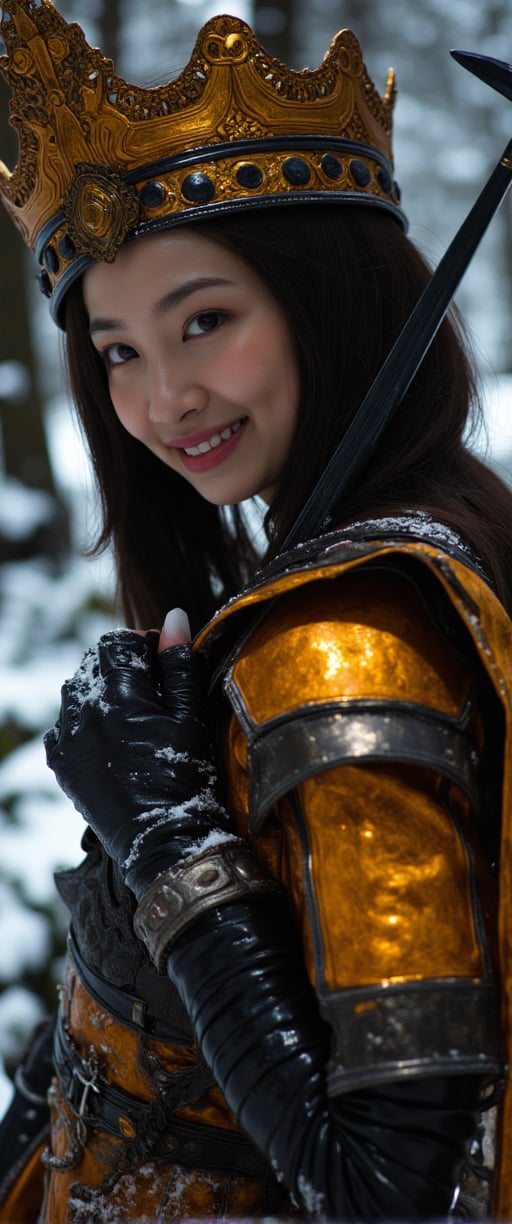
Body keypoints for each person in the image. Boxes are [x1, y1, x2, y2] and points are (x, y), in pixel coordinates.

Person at [0, 1, 512, 1220]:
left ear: (327, 297)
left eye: (205, 320)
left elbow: (384, 1183)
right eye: (117, 350)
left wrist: (165, 836)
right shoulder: (411, 547)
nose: (164, 398)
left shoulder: (342, 649)